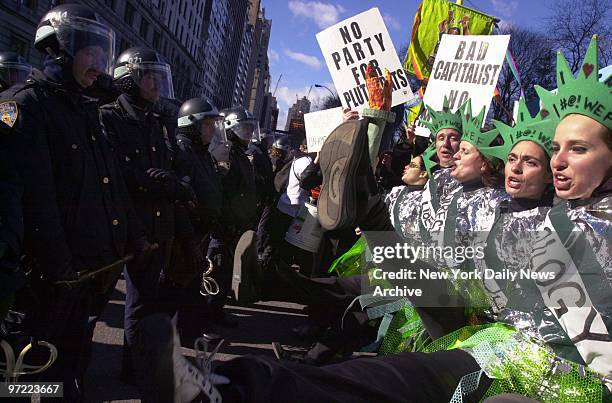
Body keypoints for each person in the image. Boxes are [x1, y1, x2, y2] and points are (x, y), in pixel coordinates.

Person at [0, 5, 149, 400]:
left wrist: (133, 240)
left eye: (104, 53)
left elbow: (110, 187)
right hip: (44, 283)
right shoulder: (19, 106)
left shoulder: (87, 112)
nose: (100, 63)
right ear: (59, 49)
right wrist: (50, 265)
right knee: (29, 380)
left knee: (69, 372)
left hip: (84, 277)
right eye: (91, 52)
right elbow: (16, 195)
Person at [99, 46, 194, 386]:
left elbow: (171, 168)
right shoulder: (111, 116)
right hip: (131, 226)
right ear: (130, 79)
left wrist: (177, 182)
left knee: (152, 301)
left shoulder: (156, 120)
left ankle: (140, 363)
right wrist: (153, 182)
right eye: (150, 78)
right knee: (135, 305)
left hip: (160, 225)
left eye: (159, 78)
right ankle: (132, 370)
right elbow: (118, 177)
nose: (157, 86)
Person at [169, 97, 225, 342]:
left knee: (193, 286)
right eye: (208, 124)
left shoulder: (203, 153)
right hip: (184, 234)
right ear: (192, 125)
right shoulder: (183, 151)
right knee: (176, 288)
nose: (213, 130)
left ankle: (189, 333)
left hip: (201, 233)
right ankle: (171, 338)